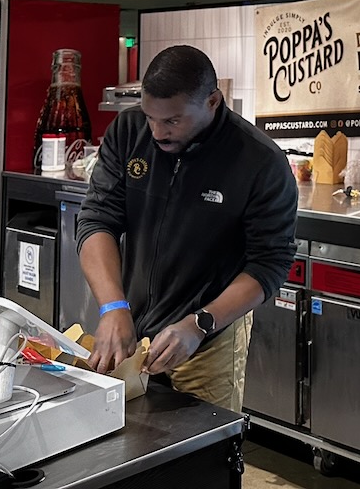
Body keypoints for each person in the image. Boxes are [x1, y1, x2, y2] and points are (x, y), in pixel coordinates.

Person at [75, 44, 298, 411]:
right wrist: (113, 306)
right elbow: (97, 219)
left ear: (212, 101)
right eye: (150, 116)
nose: (157, 132)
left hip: (206, 340)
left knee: (198, 459)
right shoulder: (129, 132)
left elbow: (269, 264)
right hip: (128, 324)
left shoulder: (260, 162)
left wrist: (200, 324)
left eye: (173, 120)